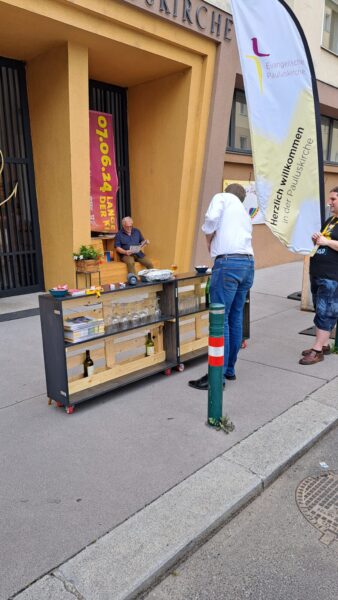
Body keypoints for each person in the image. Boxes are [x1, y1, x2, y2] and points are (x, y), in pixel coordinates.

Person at [189, 183, 254, 390]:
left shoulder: (222, 198)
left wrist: (208, 238)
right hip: (247, 264)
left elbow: (210, 220)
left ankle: (216, 377)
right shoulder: (243, 213)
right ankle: (229, 369)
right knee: (235, 317)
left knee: (220, 319)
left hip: (228, 264)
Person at [299, 187, 338, 365]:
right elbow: (323, 243)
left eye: (333, 199)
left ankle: (317, 350)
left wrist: (326, 241)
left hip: (332, 276)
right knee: (320, 309)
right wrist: (317, 239)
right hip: (319, 273)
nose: (329, 202)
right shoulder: (331, 220)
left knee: (326, 311)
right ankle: (323, 345)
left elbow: (329, 243)